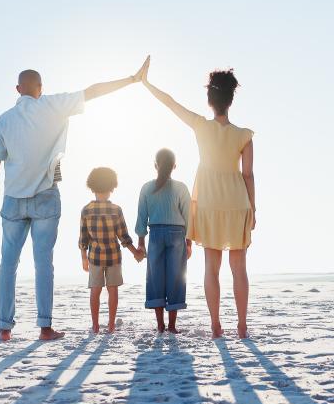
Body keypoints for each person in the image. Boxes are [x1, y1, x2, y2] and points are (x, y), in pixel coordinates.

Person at [0, 57, 149, 342]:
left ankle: (5, 328)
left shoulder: (3, 121)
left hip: (13, 200)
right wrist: (131, 79)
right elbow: (93, 91)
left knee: (8, 264)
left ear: (18, 89)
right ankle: (45, 328)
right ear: (40, 88)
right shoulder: (53, 105)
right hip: (45, 198)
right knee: (43, 264)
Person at [141, 62, 256, 339]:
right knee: (239, 269)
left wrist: (146, 83)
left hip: (208, 203)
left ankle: (216, 325)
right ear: (230, 100)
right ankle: (242, 326)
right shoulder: (244, 136)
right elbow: (248, 175)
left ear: (210, 100)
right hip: (237, 202)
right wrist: (253, 208)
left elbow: (171, 103)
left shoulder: (200, 125)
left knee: (211, 269)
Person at [78, 167, 144, 334]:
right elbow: (123, 237)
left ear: (92, 187)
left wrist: (83, 258)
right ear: (112, 187)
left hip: (94, 257)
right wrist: (136, 253)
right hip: (114, 257)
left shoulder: (86, 210)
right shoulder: (116, 210)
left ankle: (95, 325)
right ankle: (111, 325)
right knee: (112, 290)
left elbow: (83, 238)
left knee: (95, 290)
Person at [135, 148, 192, 333]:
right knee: (176, 278)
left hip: (155, 234)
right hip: (177, 234)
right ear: (174, 166)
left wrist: (141, 243)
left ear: (155, 165)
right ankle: (172, 326)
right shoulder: (181, 187)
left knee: (155, 279)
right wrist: (189, 242)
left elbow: (141, 218)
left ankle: (160, 325)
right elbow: (189, 217)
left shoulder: (146, 188)